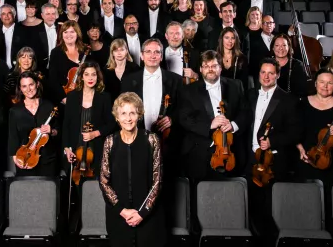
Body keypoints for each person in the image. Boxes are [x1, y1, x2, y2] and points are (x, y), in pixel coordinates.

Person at [99, 92, 166, 247]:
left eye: (132, 113)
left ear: (139, 115)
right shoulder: (110, 141)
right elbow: (103, 181)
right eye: (123, 113)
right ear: (117, 116)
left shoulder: (152, 139)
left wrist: (142, 214)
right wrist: (122, 210)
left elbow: (158, 181)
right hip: (119, 215)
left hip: (149, 215)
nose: (128, 118)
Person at [245, 58, 301, 239]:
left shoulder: (288, 100)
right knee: (250, 207)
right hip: (251, 159)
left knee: (271, 208)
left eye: (271, 73)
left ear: (277, 74)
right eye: (263, 72)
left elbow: (295, 133)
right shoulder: (250, 94)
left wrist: (272, 142)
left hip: (273, 162)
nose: (266, 76)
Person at [179, 50, 248, 180]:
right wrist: (209, 125)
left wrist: (233, 125)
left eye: (214, 66)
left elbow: (245, 112)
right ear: (200, 69)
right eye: (206, 66)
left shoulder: (236, 85)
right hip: (201, 149)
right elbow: (184, 119)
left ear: (220, 68)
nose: (210, 69)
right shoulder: (189, 90)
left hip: (230, 150)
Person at [63, 62, 115, 176]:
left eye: (93, 74)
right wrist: (66, 148)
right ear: (81, 77)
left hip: (96, 147)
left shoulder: (104, 97)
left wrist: (95, 133)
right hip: (75, 146)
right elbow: (66, 124)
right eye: (86, 74)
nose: (90, 78)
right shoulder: (72, 96)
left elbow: (112, 124)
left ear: (98, 77)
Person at [9, 71, 60, 177]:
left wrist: (51, 131)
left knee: (48, 191)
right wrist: (15, 158)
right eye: (24, 86)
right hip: (25, 158)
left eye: (31, 85)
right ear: (20, 88)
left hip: (47, 159)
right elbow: (12, 136)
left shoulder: (49, 106)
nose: (28, 89)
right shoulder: (15, 111)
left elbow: (58, 131)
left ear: (37, 84)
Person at [48, 20, 90, 104]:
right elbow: (53, 79)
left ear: (77, 34)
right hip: (64, 97)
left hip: (85, 96)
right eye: (65, 32)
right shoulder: (56, 52)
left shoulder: (85, 51)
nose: (68, 35)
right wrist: (63, 98)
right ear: (61, 35)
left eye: (72, 32)